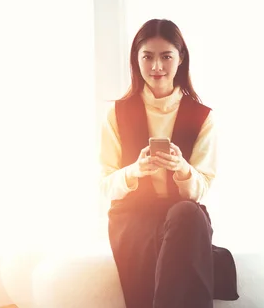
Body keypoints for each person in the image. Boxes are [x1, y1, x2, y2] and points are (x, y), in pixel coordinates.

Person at [99, 19, 239, 308]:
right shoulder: (117, 114)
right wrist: (135, 171)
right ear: (136, 60)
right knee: (186, 228)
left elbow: (200, 188)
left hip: (181, 216)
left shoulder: (202, 117)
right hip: (133, 217)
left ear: (181, 59)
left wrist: (182, 169)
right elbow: (106, 186)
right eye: (147, 57)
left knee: (187, 213)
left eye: (166, 57)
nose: (156, 67)